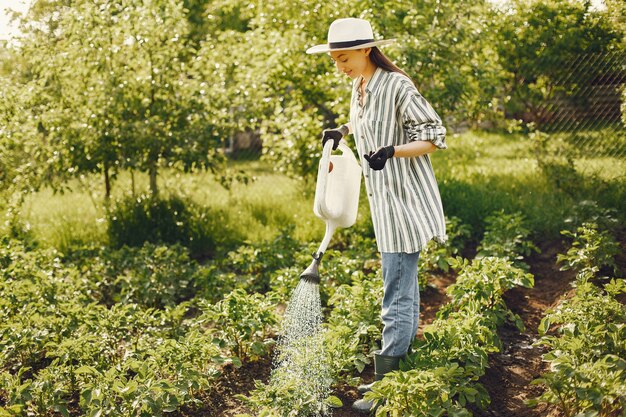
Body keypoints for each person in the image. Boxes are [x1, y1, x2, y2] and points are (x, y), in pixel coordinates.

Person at [306, 17, 448, 413]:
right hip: (385, 203)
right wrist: (343, 131)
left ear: (366, 49)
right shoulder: (360, 85)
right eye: (334, 59)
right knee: (402, 287)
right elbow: (366, 121)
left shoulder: (397, 85)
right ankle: (400, 370)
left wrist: (392, 151)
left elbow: (434, 135)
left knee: (396, 293)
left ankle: (387, 387)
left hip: (404, 201)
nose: (340, 66)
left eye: (344, 57)